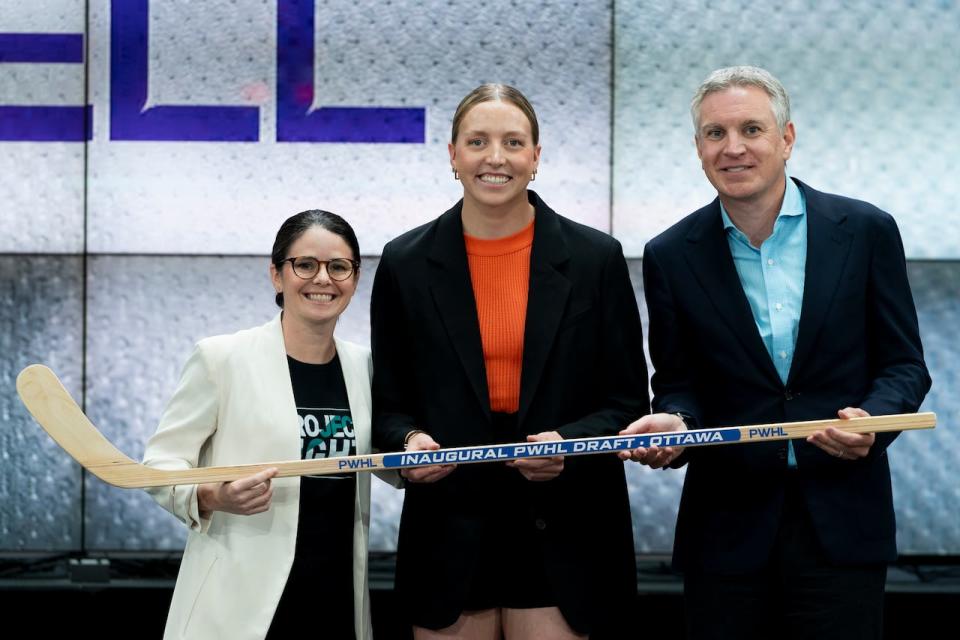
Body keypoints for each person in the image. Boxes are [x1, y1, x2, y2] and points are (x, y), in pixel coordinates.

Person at [620, 66, 931, 639]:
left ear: (786, 139)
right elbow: (679, 381)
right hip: (726, 531)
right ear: (698, 148)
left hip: (842, 522)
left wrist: (873, 423)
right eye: (715, 134)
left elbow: (904, 365)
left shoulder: (865, 230)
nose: (733, 148)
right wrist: (678, 421)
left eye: (751, 129)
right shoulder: (669, 254)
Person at [371, 83, 648, 639]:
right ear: (452, 155)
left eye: (513, 142)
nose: (495, 157)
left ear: (536, 157)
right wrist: (407, 444)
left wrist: (567, 444)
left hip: (566, 526)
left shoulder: (596, 259)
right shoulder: (405, 263)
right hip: (449, 525)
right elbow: (389, 406)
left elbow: (625, 402)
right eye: (477, 141)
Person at [143, 210, 380, 639]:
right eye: (305, 265)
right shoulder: (222, 358)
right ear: (276, 275)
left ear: (355, 277)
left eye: (338, 267)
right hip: (241, 601)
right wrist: (211, 495)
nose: (323, 279)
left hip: (335, 596)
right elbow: (161, 464)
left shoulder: (363, 366)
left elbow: (379, 457)